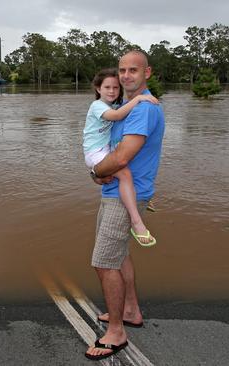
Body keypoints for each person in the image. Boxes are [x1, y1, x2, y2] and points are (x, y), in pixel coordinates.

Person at [84, 50, 165, 361]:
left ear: (148, 73)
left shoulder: (142, 109)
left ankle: (117, 331)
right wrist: (99, 175)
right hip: (116, 192)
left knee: (104, 262)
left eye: (134, 69)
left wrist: (95, 172)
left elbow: (120, 158)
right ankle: (130, 310)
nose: (126, 75)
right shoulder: (119, 106)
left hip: (124, 197)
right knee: (118, 257)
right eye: (122, 70)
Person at [83, 68, 159, 246]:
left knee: (125, 175)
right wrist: (139, 98)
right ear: (98, 89)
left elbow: (120, 112)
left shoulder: (112, 106)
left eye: (115, 88)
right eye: (107, 87)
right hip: (95, 152)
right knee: (124, 174)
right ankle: (136, 221)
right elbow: (117, 116)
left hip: (104, 150)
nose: (111, 91)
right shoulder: (97, 106)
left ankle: (138, 198)